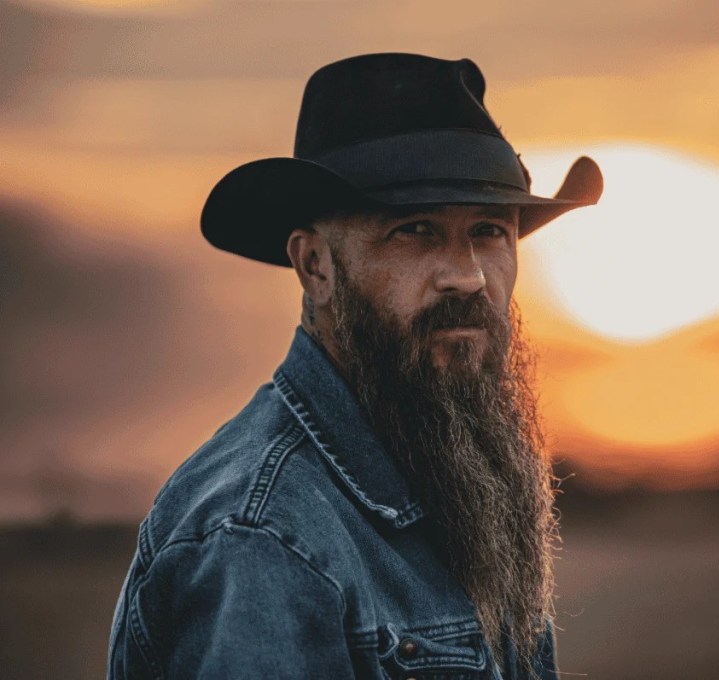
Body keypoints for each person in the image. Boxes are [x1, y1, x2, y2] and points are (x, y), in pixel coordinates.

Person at [106, 53, 602, 679]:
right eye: (416, 230)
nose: (468, 276)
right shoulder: (264, 538)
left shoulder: (445, 470)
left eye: (489, 231)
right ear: (316, 266)